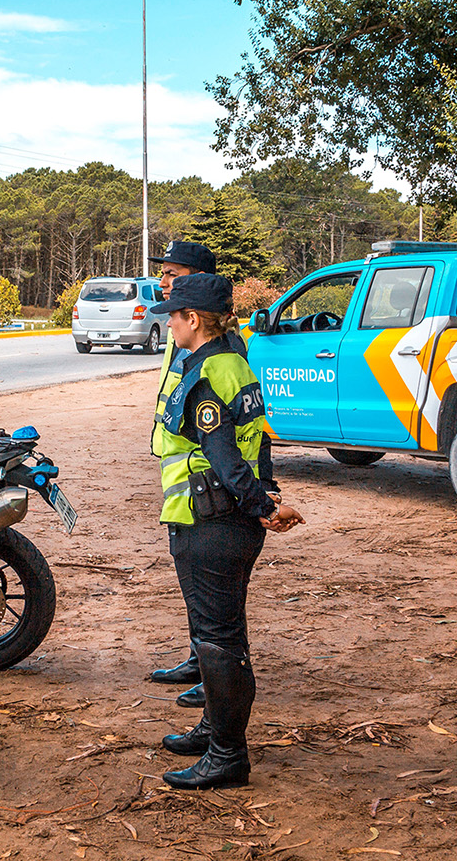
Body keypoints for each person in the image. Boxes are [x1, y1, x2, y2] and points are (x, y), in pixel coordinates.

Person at [148, 272, 303, 789]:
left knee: (217, 640)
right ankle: (214, 726)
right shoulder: (234, 362)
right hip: (222, 516)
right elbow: (256, 442)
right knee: (218, 632)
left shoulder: (208, 373)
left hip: (210, 518)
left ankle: (227, 754)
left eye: (172, 315)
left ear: (193, 320)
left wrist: (263, 505)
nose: (167, 323)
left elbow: (224, 455)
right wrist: (264, 496)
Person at [148, 241, 279, 709]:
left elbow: (231, 446)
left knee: (220, 623)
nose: (164, 288)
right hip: (215, 501)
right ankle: (205, 672)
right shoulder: (209, 347)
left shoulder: (217, 360)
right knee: (218, 618)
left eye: (173, 277)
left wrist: (264, 499)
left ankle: (222, 730)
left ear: (195, 315)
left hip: (211, 506)